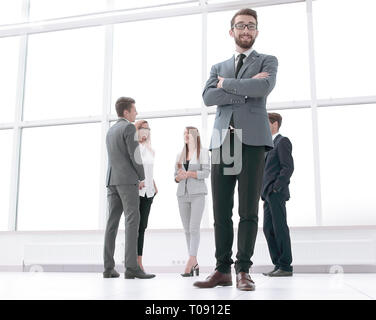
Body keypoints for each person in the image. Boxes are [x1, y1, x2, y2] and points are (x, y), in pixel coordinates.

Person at [194, 8, 278, 291]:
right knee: (221, 210)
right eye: (241, 25)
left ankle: (243, 269)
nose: (246, 30)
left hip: (252, 140)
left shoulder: (268, 60)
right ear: (231, 31)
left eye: (251, 26)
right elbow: (208, 97)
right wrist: (246, 87)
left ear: (256, 31)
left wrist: (228, 86)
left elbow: (263, 88)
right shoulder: (218, 66)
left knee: (248, 209)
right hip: (223, 140)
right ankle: (222, 270)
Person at [103, 97, 155, 279]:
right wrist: (142, 176)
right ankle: (132, 268)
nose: (136, 113)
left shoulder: (111, 130)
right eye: (134, 110)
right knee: (133, 222)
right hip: (127, 181)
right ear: (126, 112)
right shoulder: (128, 128)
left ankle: (108, 268)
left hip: (112, 181)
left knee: (111, 224)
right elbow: (135, 157)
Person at [262, 113, 294, 277]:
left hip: (276, 193)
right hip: (267, 194)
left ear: (274, 124)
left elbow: (288, 167)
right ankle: (278, 264)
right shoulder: (268, 145)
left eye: (265, 122)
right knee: (268, 229)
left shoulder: (282, 141)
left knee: (280, 228)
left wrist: (276, 187)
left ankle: (285, 266)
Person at [175, 127, 210, 277]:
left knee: (194, 228)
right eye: (183, 133)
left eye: (187, 134)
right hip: (182, 194)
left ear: (194, 136)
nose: (185, 136)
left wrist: (189, 173)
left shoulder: (203, 153)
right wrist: (179, 177)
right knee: (187, 230)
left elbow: (206, 173)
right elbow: (175, 176)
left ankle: (190, 262)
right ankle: (194, 261)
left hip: (197, 194)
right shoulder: (180, 154)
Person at [134, 120, 158, 272]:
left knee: (142, 227)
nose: (146, 131)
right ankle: (134, 263)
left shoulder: (149, 149)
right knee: (134, 228)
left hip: (149, 193)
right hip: (137, 192)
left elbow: (148, 170)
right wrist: (137, 181)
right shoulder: (135, 147)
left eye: (148, 128)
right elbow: (132, 168)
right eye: (143, 128)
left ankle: (139, 262)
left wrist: (154, 185)